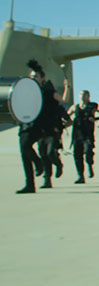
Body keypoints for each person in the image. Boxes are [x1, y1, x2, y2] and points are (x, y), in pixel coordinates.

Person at [16, 61, 68, 193]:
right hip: (27, 124)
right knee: (24, 150)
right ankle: (30, 184)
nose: (33, 78)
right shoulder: (25, 91)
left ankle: (40, 165)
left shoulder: (48, 91)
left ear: (42, 78)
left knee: (39, 150)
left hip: (42, 126)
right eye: (31, 76)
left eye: (36, 76)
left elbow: (62, 100)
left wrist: (67, 87)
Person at [67, 90, 99, 184]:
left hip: (88, 134)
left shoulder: (93, 106)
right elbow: (67, 116)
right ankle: (80, 176)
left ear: (88, 96)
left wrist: (95, 118)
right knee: (77, 155)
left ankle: (89, 165)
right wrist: (64, 123)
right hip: (77, 134)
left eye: (85, 94)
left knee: (88, 151)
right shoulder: (75, 107)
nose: (82, 96)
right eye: (81, 94)